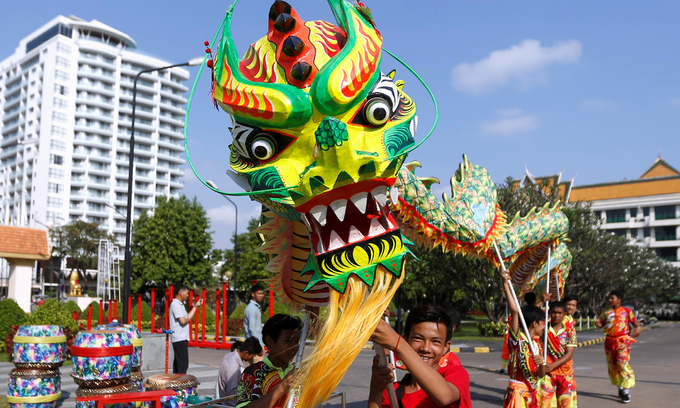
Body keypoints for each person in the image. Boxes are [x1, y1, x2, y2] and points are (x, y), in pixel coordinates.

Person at [368, 305, 472, 408]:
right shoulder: (392, 392)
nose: (425, 348)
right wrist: (376, 388)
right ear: (406, 339)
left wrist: (398, 344)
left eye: (435, 341)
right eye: (418, 338)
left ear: (445, 347)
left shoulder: (457, 374)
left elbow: (445, 397)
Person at [502, 270, 547, 408]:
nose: (545, 325)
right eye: (542, 322)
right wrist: (506, 285)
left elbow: (541, 375)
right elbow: (515, 311)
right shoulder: (518, 338)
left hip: (532, 394)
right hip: (518, 394)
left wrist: (541, 364)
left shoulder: (538, 345)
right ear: (535, 323)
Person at [236, 314, 302, 408]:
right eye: (287, 341)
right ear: (269, 340)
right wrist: (282, 386)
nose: (294, 348)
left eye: (296, 342)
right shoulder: (252, 374)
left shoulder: (297, 371)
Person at [595, 290, 641, 404]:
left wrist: (638, 328)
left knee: (622, 363)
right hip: (609, 342)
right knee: (613, 365)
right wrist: (598, 324)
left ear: (619, 300)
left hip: (623, 341)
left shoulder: (627, 311)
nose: (610, 300)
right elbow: (601, 323)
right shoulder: (606, 312)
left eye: (612, 298)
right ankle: (620, 387)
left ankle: (625, 391)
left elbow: (636, 324)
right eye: (609, 298)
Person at [537, 301, 577, 408]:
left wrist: (552, 366)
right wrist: (542, 300)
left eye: (560, 313)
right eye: (554, 312)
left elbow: (569, 354)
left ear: (565, 314)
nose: (556, 315)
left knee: (565, 404)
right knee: (545, 403)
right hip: (547, 373)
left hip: (565, 373)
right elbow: (529, 315)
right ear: (549, 313)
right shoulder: (543, 328)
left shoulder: (570, 331)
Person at [169, 285, 203, 374]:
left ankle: (176, 383)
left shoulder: (179, 305)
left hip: (181, 338)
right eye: (187, 293)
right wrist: (186, 319)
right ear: (181, 293)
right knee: (182, 365)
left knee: (179, 364)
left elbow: (187, 317)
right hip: (179, 338)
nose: (188, 295)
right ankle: (180, 384)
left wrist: (195, 307)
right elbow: (183, 320)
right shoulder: (175, 304)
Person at [219, 337, 263, 403]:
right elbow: (232, 394)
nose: (252, 359)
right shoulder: (233, 367)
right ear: (246, 353)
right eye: (252, 356)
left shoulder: (229, 355)